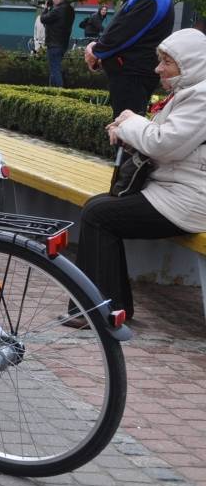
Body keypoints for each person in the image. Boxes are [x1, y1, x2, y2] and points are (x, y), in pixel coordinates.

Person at [73, 29, 206, 326]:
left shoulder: (202, 96)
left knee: (99, 215)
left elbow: (164, 144)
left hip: (191, 199)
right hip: (176, 190)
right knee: (97, 208)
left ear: (190, 63)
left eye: (167, 62)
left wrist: (130, 122)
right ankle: (110, 307)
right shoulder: (190, 91)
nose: (158, 69)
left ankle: (101, 312)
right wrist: (129, 128)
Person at [85, 0, 174, 118]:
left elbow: (123, 34)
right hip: (131, 74)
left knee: (126, 127)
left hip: (133, 75)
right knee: (124, 125)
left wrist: (96, 51)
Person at [40, 0, 76, 87]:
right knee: (54, 68)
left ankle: (59, 91)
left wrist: (45, 8)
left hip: (54, 43)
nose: (52, 0)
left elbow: (43, 19)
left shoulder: (58, 10)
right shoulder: (70, 10)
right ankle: (51, 90)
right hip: (63, 43)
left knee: (55, 69)